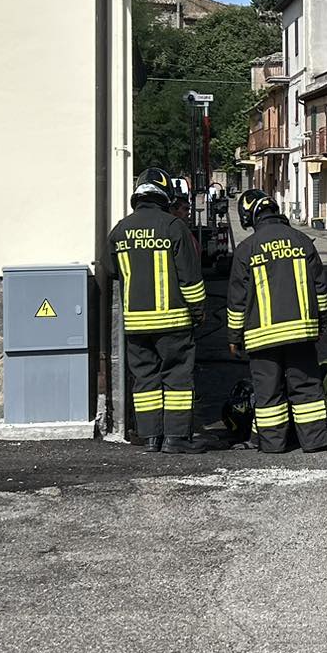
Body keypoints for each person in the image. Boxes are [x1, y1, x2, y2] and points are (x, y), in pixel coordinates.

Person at [108, 166, 210, 453]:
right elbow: (190, 278)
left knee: (145, 380)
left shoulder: (120, 230)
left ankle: (151, 437)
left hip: (137, 325)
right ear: (165, 196)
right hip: (174, 323)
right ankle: (176, 439)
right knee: (177, 378)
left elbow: (110, 269)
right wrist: (198, 311)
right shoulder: (173, 227)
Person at [225, 189, 327, 453]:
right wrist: (321, 323)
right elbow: (320, 289)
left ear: (250, 217)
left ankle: (273, 444)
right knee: (307, 388)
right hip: (301, 333)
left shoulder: (246, 249)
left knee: (268, 392)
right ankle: (315, 441)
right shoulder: (302, 241)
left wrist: (233, 337)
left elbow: (237, 300)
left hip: (262, 337)